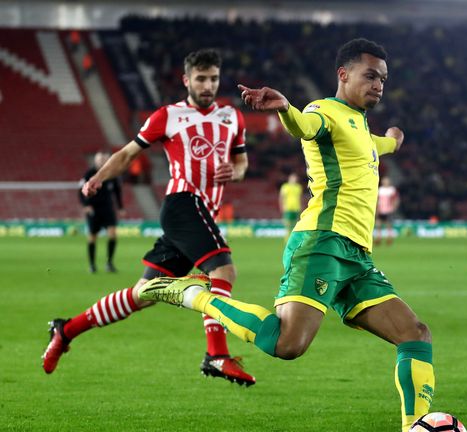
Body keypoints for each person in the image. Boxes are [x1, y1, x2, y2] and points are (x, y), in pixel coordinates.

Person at [138, 38, 434, 432]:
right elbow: (305, 126)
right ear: (343, 75)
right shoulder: (323, 111)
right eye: (369, 75)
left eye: (382, 78)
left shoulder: (361, 125)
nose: (378, 84)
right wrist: (286, 109)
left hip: (358, 257)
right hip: (321, 243)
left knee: (415, 334)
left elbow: (379, 146)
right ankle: (192, 293)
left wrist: (394, 139)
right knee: (287, 344)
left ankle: (417, 425)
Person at [42, 49, 255, 386]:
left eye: (213, 78)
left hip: (199, 215)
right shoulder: (168, 116)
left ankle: (66, 330)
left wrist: (236, 173)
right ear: (187, 80)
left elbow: (241, 164)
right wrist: (100, 179)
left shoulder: (232, 117)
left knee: (143, 294)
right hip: (183, 203)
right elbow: (128, 153)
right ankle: (216, 355)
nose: (208, 85)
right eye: (200, 78)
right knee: (223, 271)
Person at [79, 151, 124, 273]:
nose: (101, 162)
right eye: (99, 160)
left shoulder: (111, 174)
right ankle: (92, 265)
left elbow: (117, 192)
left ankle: (109, 263)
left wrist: (120, 207)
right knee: (92, 237)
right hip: (93, 209)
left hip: (108, 208)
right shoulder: (89, 174)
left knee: (112, 234)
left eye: (103, 159)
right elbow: (80, 191)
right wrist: (86, 205)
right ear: (95, 161)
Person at [375, 176, 400, 245]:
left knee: (388, 225)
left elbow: (396, 199)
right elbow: (377, 200)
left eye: (386, 181)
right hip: (380, 210)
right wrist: (377, 209)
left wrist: (394, 207)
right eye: (384, 181)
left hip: (388, 210)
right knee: (378, 224)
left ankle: (389, 239)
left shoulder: (391, 190)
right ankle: (378, 238)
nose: (385, 182)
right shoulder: (380, 189)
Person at [279, 173, 303, 242]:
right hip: (288, 208)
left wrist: (301, 206)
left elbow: (299, 198)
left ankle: (294, 238)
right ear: (290, 179)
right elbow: (281, 197)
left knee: (296, 224)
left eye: (295, 178)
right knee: (287, 224)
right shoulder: (285, 186)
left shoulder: (298, 187)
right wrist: (282, 206)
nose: (294, 180)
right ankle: (287, 239)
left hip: (296, 208)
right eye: (293, 178)